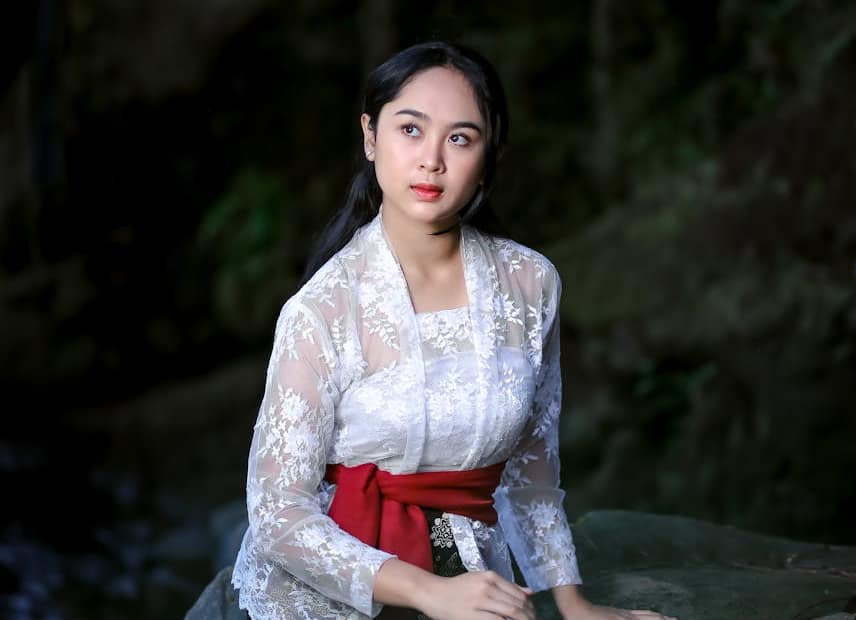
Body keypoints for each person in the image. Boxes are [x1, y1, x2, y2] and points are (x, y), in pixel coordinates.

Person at [231, 41, 675, 620]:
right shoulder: (324, 308)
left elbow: (531, 476)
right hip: (337, 573)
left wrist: (573, 605)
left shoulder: (528, 282)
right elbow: (277, 516)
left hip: (464, 563)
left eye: (460, 138)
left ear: (488, 155)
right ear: (370, 136)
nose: (431, 160)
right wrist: (427, 592)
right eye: (410, 130)